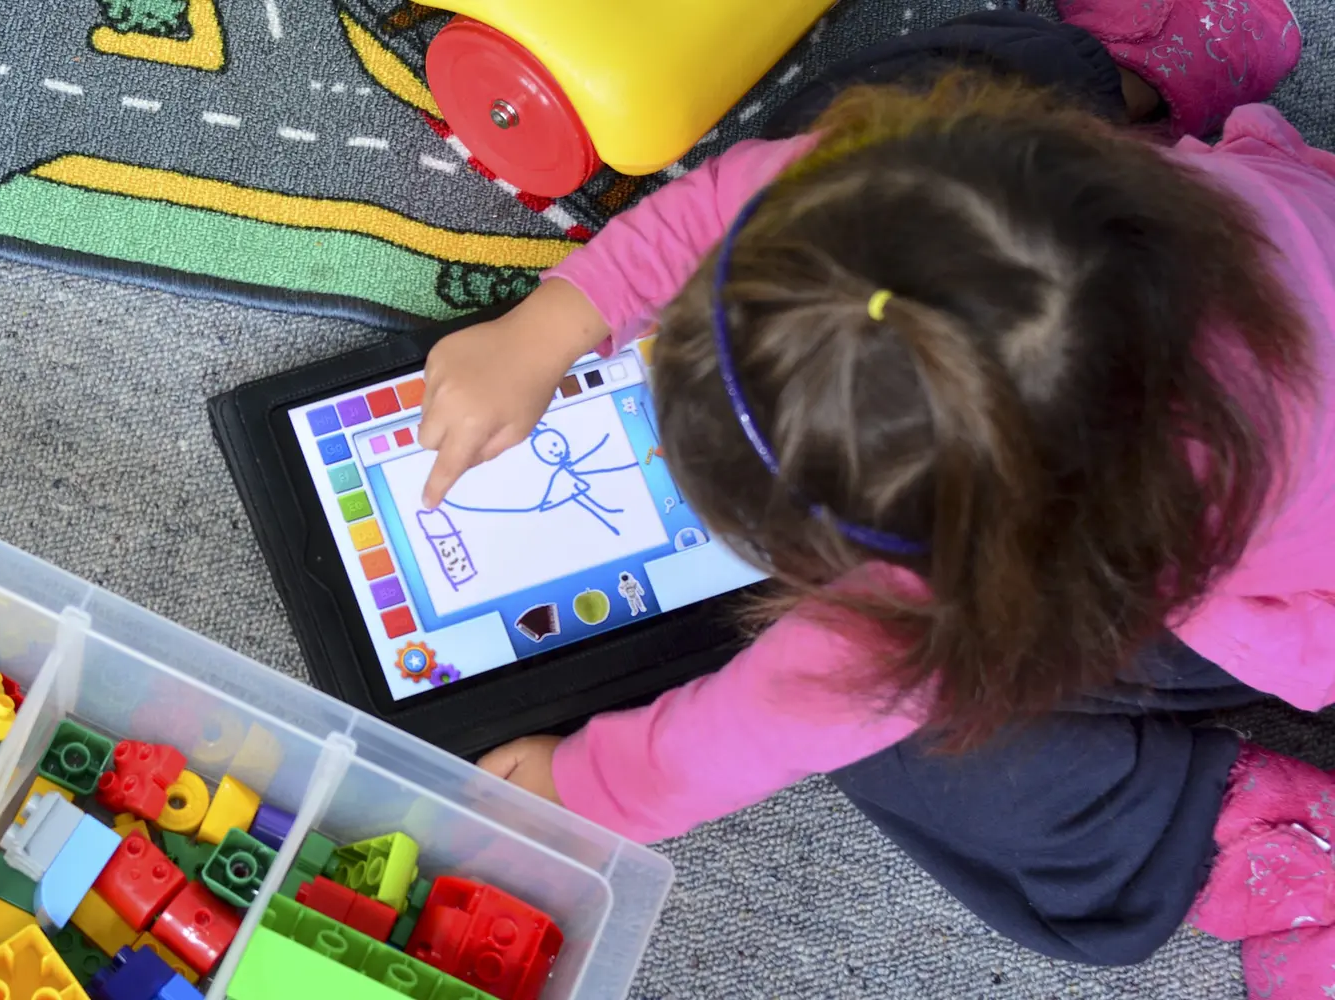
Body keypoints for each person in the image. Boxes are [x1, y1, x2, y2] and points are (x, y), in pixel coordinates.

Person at [416, 2, 1335, 994]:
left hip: (1287, 571)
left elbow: (777, 714)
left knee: (930, 750)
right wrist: (555, 321)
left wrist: (577, 786)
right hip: (1255, 271)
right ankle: (1152, 72)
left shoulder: (999, 558)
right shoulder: (956, 181)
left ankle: (1261, 843)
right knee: (896, 98)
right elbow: (752, 196)